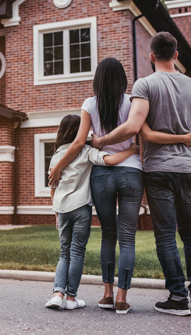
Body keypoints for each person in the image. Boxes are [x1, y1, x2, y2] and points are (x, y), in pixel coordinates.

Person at [48, 57, 191, 314]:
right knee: (127, 238)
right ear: (123, 80)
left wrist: (59, 166)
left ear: (97, 79)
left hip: (102, 175)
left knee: (108, 234)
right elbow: (144, 132)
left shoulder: (89, 104)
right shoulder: (133, 101)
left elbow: (78, 143)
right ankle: (121, 299)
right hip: (131, 172)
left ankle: (106, 295)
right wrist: (134, 149)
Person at [91, 32, 191, 316]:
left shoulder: (145, 85)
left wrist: (102, 140)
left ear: (151, 56)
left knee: (165, 236)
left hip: (158, 170)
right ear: (176, 55)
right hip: (187, 170)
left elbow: (134, 127)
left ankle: (177, 297)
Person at [46, 114, 140, 311]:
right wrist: (132, 149)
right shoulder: (87, 151)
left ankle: (57, 294)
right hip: (81, 209)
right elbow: (112, 160)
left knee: (65, 252)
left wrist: (56, 213)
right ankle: (71, 298)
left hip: (62, 210)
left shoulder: (56, 156)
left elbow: (52, 187)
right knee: (77, 251)